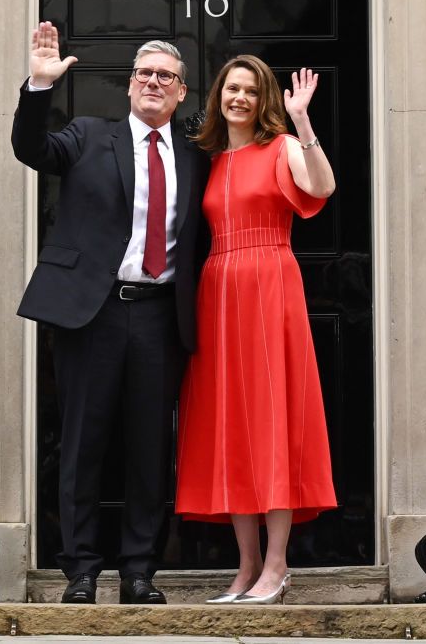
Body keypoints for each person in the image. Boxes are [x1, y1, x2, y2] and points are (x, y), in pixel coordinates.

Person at [12, 22, 209, 605]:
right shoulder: (87, 136)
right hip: (91, 313)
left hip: (158, 316)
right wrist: (38, 87)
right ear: (129, 87)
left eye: (165, 77)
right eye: (144, 73)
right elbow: (32, 149)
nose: (153, 82)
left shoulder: (198, 156)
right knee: (83, 443)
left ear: (180, 92)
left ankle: (140, 571)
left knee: (150, 448)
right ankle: (80, 570)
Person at [174, 55, 338, 605]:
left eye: (249, 90)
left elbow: (323, 187)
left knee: (273, 421)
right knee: (233, 424)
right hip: (219, 290)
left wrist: (303, 122)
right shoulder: (211, 159)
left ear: (264, 98)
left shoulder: (281, 146)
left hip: (270, 283)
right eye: (230, 88)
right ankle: (245, 569)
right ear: (219, 95)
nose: (238, 97)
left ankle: (277, 565)